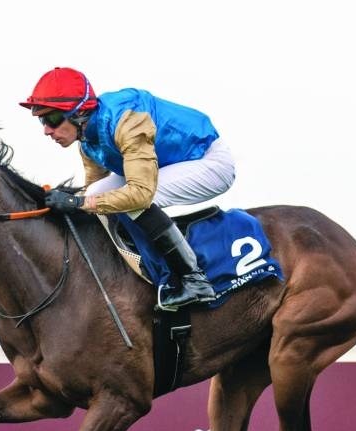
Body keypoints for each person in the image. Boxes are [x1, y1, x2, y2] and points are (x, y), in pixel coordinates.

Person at [19, 67, 236, 309]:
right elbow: (93, 193)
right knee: (95, 195)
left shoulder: (127, 121)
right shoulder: (87, 142)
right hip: (168, 165)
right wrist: (71, 205)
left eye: (52, 119)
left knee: (135, 198)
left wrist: (78, 203)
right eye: (42, 120)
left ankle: (194, 280)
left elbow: (140, 195)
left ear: (79, 113)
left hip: (208, 161)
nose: (47, 130)